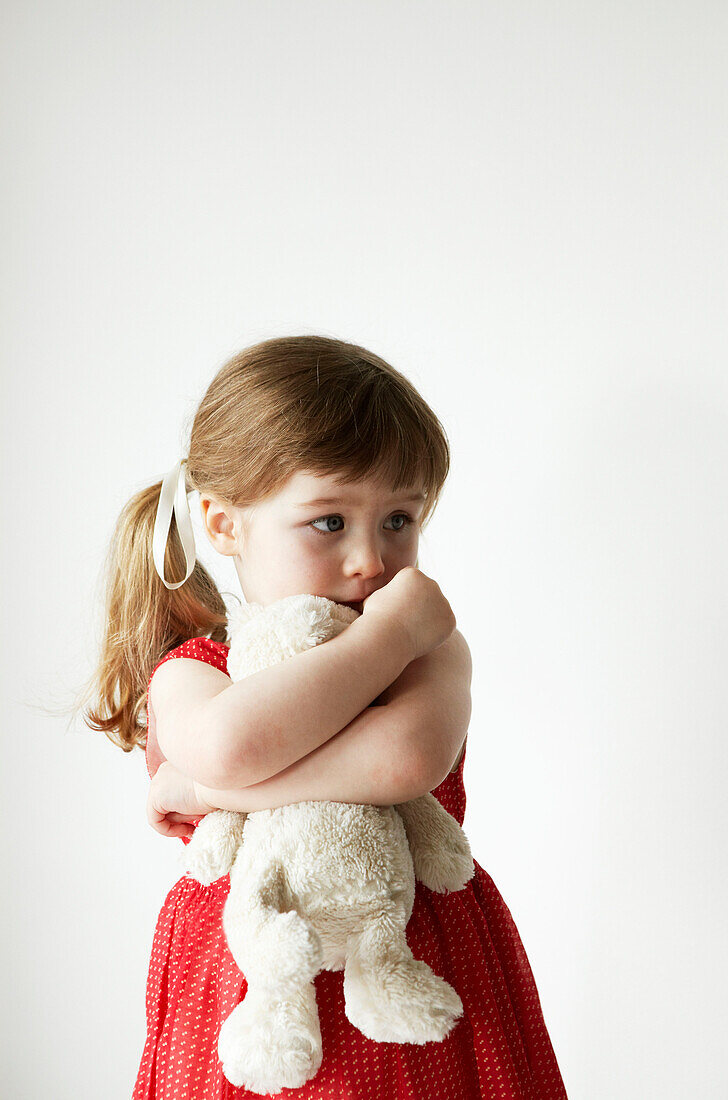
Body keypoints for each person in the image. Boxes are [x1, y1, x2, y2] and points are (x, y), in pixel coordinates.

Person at [83, 334, 568, 1098]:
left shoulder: (424, 649)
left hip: (414, 947)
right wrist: (388, 634)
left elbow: (404, 762)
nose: (371, 560)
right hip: (256, 967)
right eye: (329, 522)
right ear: (222, 524)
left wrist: (205, 793)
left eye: (399, 520)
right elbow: (234, 743)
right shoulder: (195, 670)